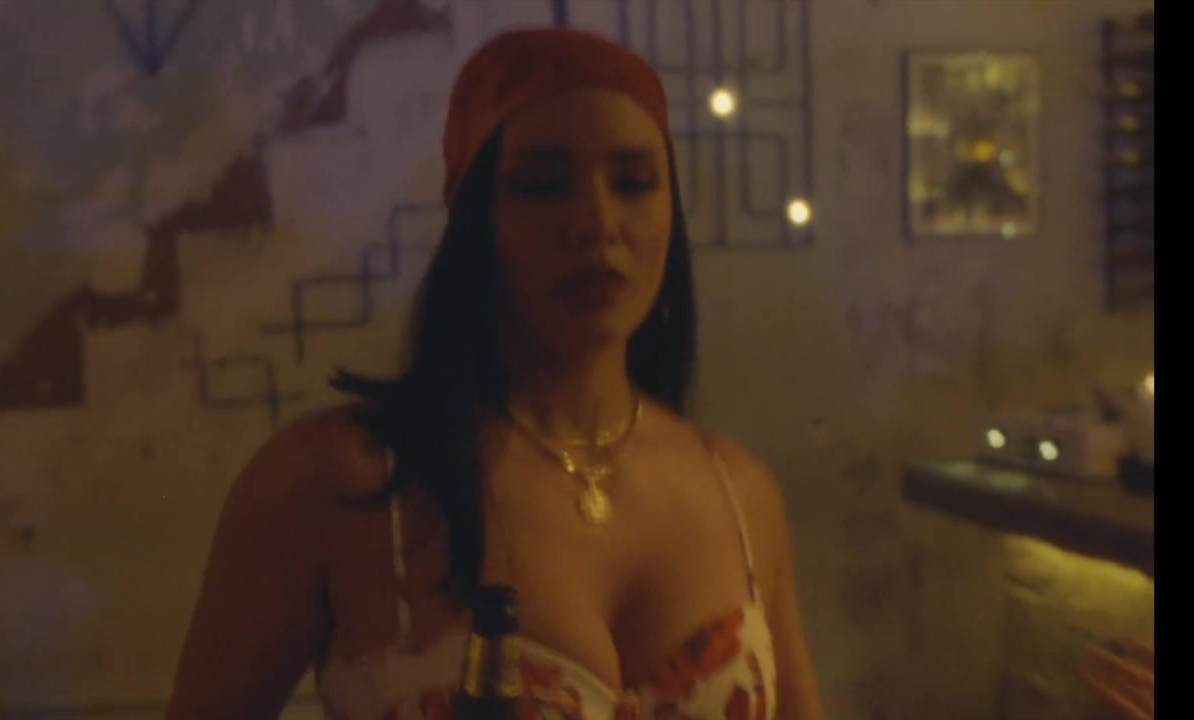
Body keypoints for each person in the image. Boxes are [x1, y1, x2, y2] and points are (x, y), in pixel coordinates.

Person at [167, 26, 823, 720]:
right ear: (475, 217)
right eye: (543, 186)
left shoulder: (739, 492)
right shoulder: (338, 482)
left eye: (634, 183)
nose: (596, 223)